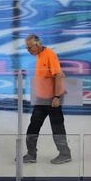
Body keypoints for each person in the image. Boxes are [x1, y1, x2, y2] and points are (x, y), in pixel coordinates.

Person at [23, 34, 71, 164]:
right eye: (27, 48)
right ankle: (31, 154)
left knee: (57, 127)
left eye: (29, 48)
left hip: (52, 99)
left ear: (37, 45)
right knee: (33, 126)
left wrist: (57, 97)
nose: (28, 51)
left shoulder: (49, 54)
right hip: (41, 99)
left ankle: (65, 154)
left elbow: (57, 76)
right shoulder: (40, 55)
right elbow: (59, 72)